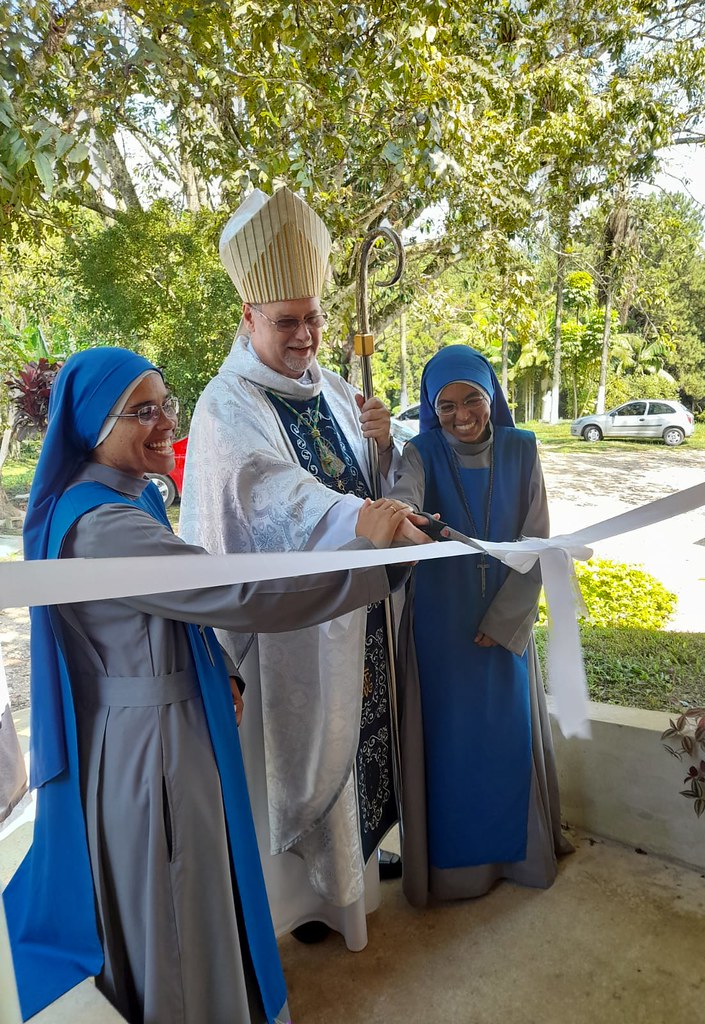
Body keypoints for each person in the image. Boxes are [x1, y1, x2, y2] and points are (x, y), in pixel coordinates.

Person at [2, 347, 414, 1024]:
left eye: (166, 402)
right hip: (154, 752)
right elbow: (236, 590)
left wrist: (217, 665)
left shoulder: (112, 498)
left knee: (186, 893)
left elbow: (159, 612)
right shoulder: (106, 527)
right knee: (177, 897)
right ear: (92, 426)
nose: (166, 421)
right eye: (143, 410)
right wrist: (361, 554)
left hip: (157, 723)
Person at [180, 187, 422, 950]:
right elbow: (268, 491)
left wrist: (383, 441)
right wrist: (356, 518)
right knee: (299, 759)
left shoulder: (339, 393)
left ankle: (354, 878)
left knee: (364, 741)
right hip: (290, 630)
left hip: (357, 617)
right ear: (247, 317)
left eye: (314, 316)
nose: (307, 334)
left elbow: (372, 479)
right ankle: (307, 904)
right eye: (287, 322)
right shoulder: (227, 405)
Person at [389, 345, 573, 906]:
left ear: (492, 394)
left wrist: (505, 619)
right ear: (430, 406)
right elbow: (402, 500)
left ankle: (517, 861)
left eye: (473, 399)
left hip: (507, 621)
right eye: (446, 405)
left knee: (507, 735)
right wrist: (407, 519)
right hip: (439, 629)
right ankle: (449, 875)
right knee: (448, 747)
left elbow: (538, 538)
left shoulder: (523, 448)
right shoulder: (417, 453)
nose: (461, 414)